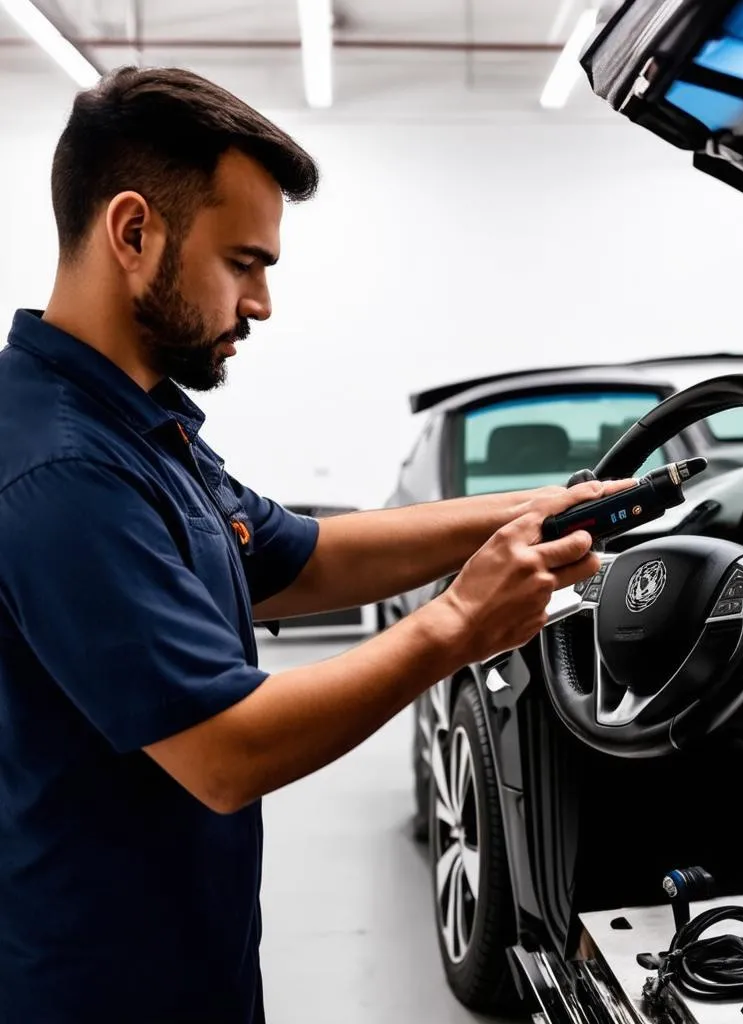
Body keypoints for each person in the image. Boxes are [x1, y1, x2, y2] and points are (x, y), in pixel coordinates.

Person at [0, 66, 632, 1023]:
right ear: (134, 233)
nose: (261, 305)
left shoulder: (130, 423)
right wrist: (457, 625)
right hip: (98, 984)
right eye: (244, 262)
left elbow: (301, 556)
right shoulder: (62, 470)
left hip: (180, 950)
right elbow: (225, 752)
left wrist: (538, 507)